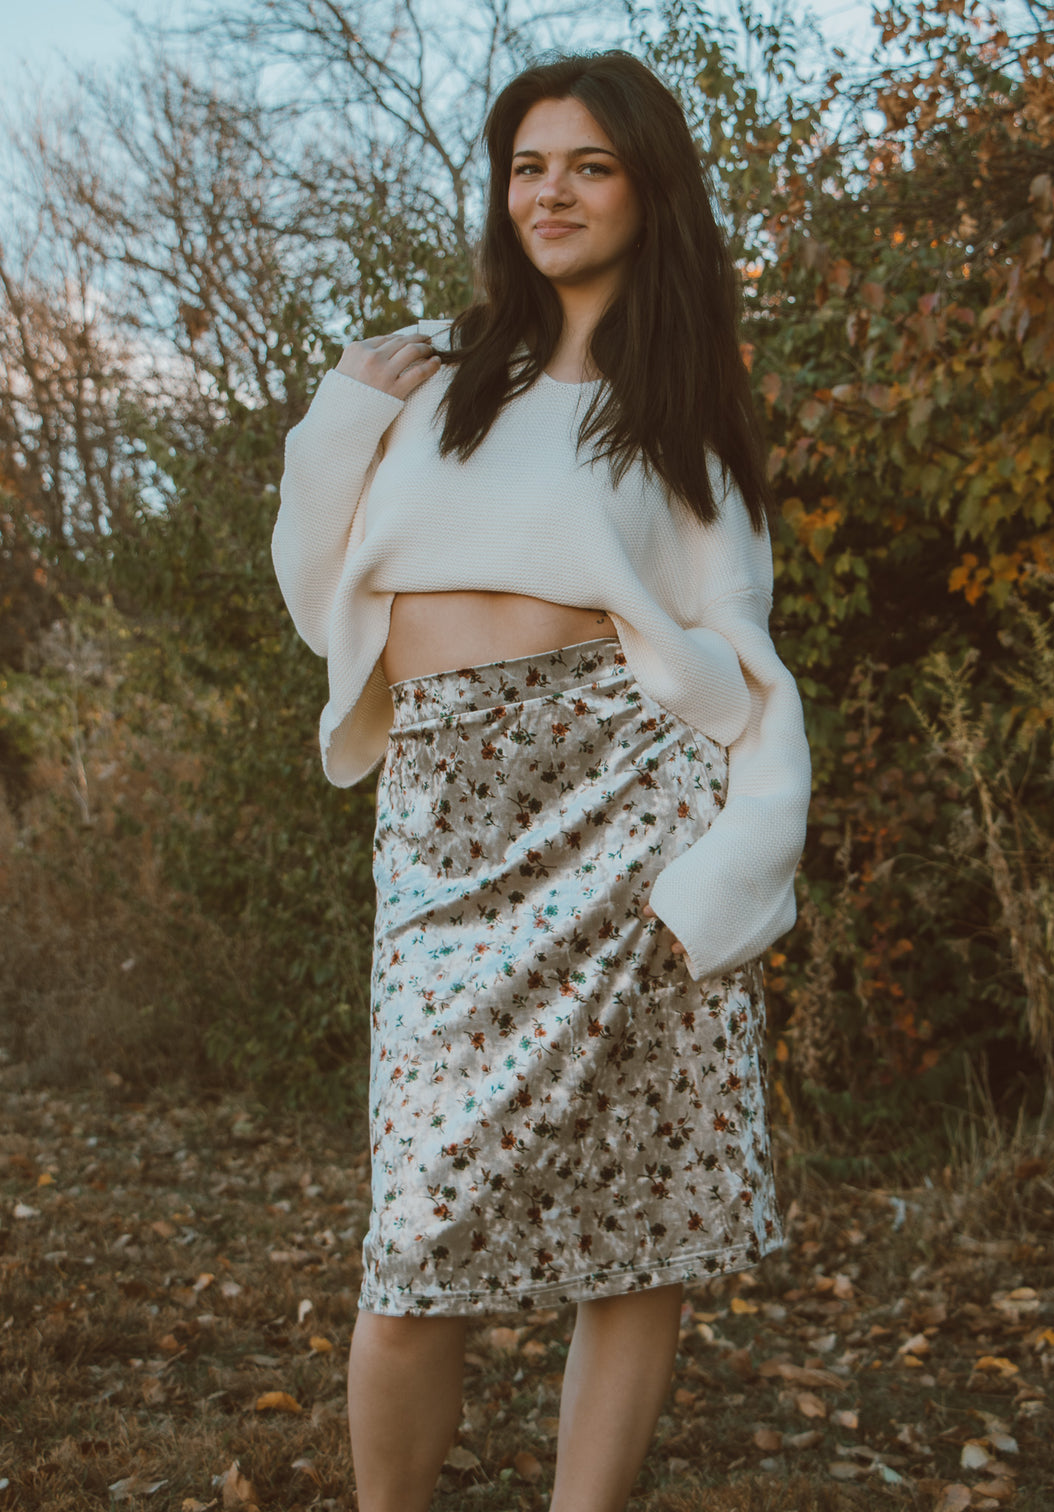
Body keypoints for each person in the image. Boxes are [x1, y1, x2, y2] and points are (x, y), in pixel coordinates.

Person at [272, 47, 812, 1512]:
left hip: (634, 805)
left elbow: (745, 658)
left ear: (648, 190)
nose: (552, 192)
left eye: (589, 164)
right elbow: (325, 592)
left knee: (648, 1226)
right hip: (447, 813)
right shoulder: (427, 375)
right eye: (528, 165)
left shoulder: (684, 408)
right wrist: (329, 427)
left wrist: (730, 867)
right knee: (420, 1226)